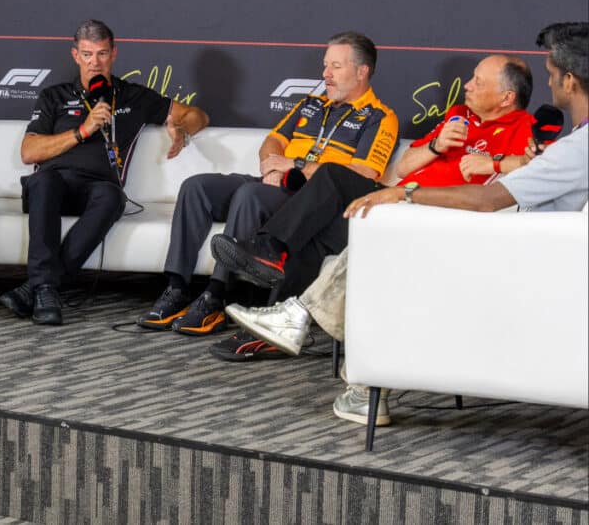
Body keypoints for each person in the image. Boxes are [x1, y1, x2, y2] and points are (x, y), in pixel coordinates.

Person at [227, 22, 589, 427]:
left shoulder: (569, 145)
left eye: (552, 74)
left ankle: (303, 321)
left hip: (494, 243)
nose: (548, 82)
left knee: (377, 235)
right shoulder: (541, 134)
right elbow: (405, 168)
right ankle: (318, 339)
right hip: (481, 231)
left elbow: (489, 200)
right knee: (367, 236)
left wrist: (407, 194)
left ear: (570, 81)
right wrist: (428, 158)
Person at [214, 53, 536, 301]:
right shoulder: (458, 115)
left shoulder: (525, 128)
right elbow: (405, 167)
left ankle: (269, 247)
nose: (467, 85)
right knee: (318, 224)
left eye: (478, 82)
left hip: (431, 216)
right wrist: (436, 146)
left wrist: (494, 163)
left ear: (506, 98)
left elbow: (538, 167)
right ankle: (277, 323)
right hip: (394, 203)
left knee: (332, 173)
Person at [138, 32, 398, 336]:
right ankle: (177, 287)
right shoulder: (310, 104)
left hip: (307, 200)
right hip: (273, 182)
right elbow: (273, 141)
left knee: (251, 194)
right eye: (325, 65)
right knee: (196, 187)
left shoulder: (380, 117)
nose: (325, 74)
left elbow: (361, 175)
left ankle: (216, 296)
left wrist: (295, 166)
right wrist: (271, 166)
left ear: (362, 71)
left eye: (336, 67)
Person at [0, 19, 209, 326]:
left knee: (113, 197)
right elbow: (28, 152)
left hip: (98, 189)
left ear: (113, 54)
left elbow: (197, 114)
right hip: (52, 187)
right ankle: (44, 288)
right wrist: (82, 131)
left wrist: (182, 130)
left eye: (101, 54)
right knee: (43, 182)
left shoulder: (132, 96)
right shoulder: (54, 96)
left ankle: (39, 288)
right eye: (87, 54)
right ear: (75, 55)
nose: (94, 62)